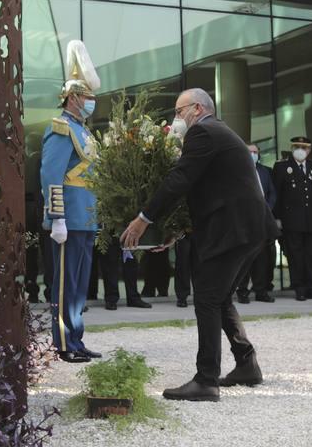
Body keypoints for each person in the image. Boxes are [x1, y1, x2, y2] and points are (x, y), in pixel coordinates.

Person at [122, 89, 272, 400]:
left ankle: (206, 380)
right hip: (250, 228)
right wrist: (176, 231)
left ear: (197, 108)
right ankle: (246, 364)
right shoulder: (220, 131)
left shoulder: (203, 131)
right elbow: (210, 188)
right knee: (220, 298)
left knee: (206, 297)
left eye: (179, 111)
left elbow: (180, 180)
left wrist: (143, 218)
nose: (176, 118)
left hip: (233, 229)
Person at [41, 41, 103, 363]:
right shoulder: (61, 129)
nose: (92, 102)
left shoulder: (84, 132)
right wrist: (57, 217)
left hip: (87, 218)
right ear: (75, 97)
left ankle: (76, 338)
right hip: (69, 219)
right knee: (65, 285)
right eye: (88, 96)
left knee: (79, 287)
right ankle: (63, 343)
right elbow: (51, 175)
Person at [273, 136, 312, 301]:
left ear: (309, 150)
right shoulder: (282, 167)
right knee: (296, 255)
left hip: (311, 219)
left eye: (304, 148)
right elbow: (277, 194)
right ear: (292, 149)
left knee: (311, 255)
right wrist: (278, 218)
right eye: (297, 147)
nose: (300, 150)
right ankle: (299, 288)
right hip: (291, 219)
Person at [236, 144, 278, 304]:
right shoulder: (238, 171)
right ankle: (243, 291)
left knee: (262, 258)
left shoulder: (265, 171)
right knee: (246, 259)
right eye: (249, 152)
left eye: (255, 152)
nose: (253, 154)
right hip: (246, 221)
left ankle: (261, 291)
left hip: (263, 219)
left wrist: (268, 209)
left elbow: (272, 193)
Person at [95, 243, 150, 311]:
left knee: (131, 262)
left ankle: (133, 297)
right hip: (110, 234)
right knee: (110, 262)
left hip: (128, 233)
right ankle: (111, 299)